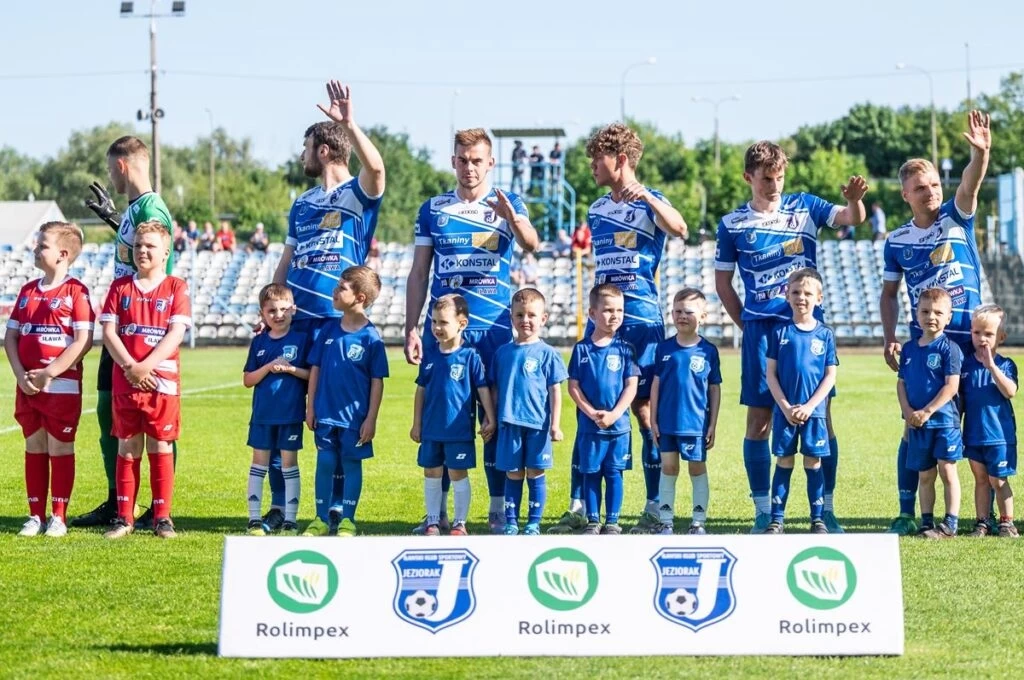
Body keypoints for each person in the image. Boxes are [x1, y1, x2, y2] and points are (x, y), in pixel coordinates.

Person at [715, 140, 866, 534]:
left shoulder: (806, 207)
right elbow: (722, 282)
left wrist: (854, 201)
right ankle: (764, 512)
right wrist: (747, 325)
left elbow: (851, 217)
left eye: (779, 177)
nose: (774, 185)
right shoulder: (732, 224)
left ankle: (825, 510)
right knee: (759, 422)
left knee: (821, 419)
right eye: (766, 179)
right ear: (748, 177)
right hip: (761, 331)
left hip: (807, 332)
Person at [549, 122, 687, 536]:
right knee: (588, 408)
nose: (592, 166)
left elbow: (680, 228)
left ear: (621, 160)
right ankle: (580, 507)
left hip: (640, 320)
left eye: (598, 159)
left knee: (645, 413)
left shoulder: (651, 202)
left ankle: (655, 507)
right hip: (601, 322)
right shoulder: (596, 209)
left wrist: (647, 197)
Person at [404, 127, 539, 535]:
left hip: (494, 332)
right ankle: (438, 515)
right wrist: (411, 327)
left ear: (490, 163)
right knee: (442, 421)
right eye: (462, 160)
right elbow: (419, 272)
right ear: (453, 161)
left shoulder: (507, 203)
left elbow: (532, 243)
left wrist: (512, 218)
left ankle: (497, 509)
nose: (469, 168)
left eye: (477, 160)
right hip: (446, 336)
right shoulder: (433, 209)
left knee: (495, 421)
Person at [265, 79, 386, 533]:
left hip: (338, 327)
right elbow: (287, 259)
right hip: (296, 326)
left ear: (322, 150)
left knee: (338, 424)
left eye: (305, 148)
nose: (301, 156)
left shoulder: (357, 193)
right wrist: (270, 310)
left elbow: (377, 169)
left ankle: (337, 511)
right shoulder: (301, 204)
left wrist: (350, 124)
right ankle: (281, 508)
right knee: (282, 417)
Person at [880, 110, 991, 536]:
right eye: (920, 188)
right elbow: (889, 294)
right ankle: (907, 511)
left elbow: (970, 184)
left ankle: (985, 517)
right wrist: (890, 338)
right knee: (915, 427)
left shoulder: (956, 216)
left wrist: (979, 155)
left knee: (978, 428)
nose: (930, 192)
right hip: (924, 346)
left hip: (971, 342)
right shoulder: (896, 240)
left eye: (934, 185)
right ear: (905, 194)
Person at [75, 135, 174, 530]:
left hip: (143, 327)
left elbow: (160, 261)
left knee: (157, 422)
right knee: (108, 410)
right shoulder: (136, 208)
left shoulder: (152, 207)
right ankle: (119, 500)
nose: (109, 177)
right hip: (121, 323)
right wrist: (116, 220)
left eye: (109, 169)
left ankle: (158, 507)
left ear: (121, 166)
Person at [99, 222, 192, 539]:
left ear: (166, 252)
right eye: (138, 245)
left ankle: (162, 518)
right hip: (126, 377)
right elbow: (109, 332)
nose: (142, 250)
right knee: (127, 445)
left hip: (161, 380)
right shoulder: (120, 288)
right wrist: (131, 366)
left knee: (160, 443)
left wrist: (145, 367)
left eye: (150, 245)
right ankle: (124, 518)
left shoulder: (176, 287)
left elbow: (176, 333)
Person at [5, 222, 94, 538]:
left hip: (61, 387)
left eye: (42, 245)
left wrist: (49, 373)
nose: (35, 249)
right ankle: (35, 515)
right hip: (28, 386)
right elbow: (11, 337)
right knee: (34, 445)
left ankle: (58, 516)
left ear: (63, 254)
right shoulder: (28, 291)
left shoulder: (76, 292)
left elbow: (83, 341)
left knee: (60, 447)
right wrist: (20, 374)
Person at [303, 266, 388, 537]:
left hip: (354, 419)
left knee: (351, 464)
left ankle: (348, 520)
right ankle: (320, 518)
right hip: (325, 414)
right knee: (325, 463)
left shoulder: (371, 338)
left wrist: (371, 418)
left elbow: (377, 381)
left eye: (342, 288)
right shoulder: (328, 330)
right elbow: (315, 369)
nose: (335, 291)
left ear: (360, 298)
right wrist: (310, 406)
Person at [410, 294, 495, 536]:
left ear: (461, 324)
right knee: (431, 472)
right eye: (434, 321)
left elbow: (482, 389)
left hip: (458, 430)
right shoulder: (429, 355)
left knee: (458, 473)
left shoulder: (470, 356)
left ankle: (460, 523)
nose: (437, 327)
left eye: (443, 322)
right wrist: (416, 423)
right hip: (431, 429)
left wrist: (490, 417)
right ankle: (433, 520)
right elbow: (421, 391)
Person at [764, 268, 839, 534]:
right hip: (784, 412)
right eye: (795, 292)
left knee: (813, 463)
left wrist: (809, 406)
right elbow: (770, 374)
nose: (801, 298)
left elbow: (830, 376)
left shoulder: (825, 334)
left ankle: (817, 519)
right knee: (784, 461)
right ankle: (776, 519)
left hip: (813, 414)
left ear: (819, 298)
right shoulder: (779, 332)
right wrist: (785, 407)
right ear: (787, 295)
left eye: (807, 293)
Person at [492, 288, 566, 535]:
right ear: (511, 318)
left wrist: (555, 425)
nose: (525, 320)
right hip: (509, 424)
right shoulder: (502, 353)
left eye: (532, 315)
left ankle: (533, 523)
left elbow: (555, 391)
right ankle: (512, 522)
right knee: (513, 473)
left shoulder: (548, 354)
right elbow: (494, 389)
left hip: (538, 425)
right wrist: (492, 419)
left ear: (543, 319)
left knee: (535, 472)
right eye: (520, 315)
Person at [567, 284, 639, 535]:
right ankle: (593, 520)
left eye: (619, 310)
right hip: (591, 427)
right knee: (591, 472)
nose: (615, 315)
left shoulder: (626, 349)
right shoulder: (581, 349)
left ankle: (612, 521)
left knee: (614, 472)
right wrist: (591, 413)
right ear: (592, 313)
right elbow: (573, 386)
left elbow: (631, 386)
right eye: (608, 310)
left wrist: (614, 414)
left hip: (618, 427)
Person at [649, 288, 721, 536]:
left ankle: (698, 521)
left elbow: (714, 389)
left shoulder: (708, 351)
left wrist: (712, 424)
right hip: (667, 423)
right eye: (677, 311)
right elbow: (656, 385)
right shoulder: (664, 348)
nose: (682, 316)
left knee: (696, 469)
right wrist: (653, 420)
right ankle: (666, 521)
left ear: (703, 316)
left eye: (688, 312)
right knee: (668, 468)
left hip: (695, 424)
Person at [242, 283, 310, 536]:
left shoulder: (301, 339)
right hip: (262, 416)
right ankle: (253, 518)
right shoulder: (259, 342)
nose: (278, 315)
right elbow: (248, 380)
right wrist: (269, 366)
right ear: (262, 313)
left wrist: (290, 369)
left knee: (289, 465)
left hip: (290, 415)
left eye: (283, 309)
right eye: (271, 311)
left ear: (293, 309)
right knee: (259, 464)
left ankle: (290, 519)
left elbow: (310, 374)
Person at [897, 288, 963, 539]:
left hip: (944, 422)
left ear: (949, 317)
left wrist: (927, 411)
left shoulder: (950, 348)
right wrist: (907, 411)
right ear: (916, 314)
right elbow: (901, 383)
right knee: (925, 475)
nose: (931, 317)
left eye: (938, 312)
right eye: (925, 311)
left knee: (947, 470)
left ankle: (950, 523)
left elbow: (951, 386)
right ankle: (926, 522)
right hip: (918, 424)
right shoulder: (909, 349)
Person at [960, 304, 1018, 538]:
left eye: (989, 334)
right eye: (977, 333)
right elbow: (961, 401)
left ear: (1001, 337)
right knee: (981, 480)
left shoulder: (1006, 364)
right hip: (973, 434)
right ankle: (983, 521)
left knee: (999, 479)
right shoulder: (965, 365)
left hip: (999, 436)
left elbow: (1010, 391)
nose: (982, 338)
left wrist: (991, 366)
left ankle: (1007, 522)